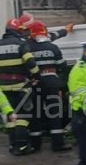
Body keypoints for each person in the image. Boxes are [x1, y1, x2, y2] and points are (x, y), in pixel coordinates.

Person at [0, 17, 40, 155]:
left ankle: (13, 145)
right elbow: (30, 63)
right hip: (20, 86)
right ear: (17, 30)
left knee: (10, 117)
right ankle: (22, 147)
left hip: (3, 87)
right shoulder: (21, 44)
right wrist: (36, 76)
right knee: (23, 117)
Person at [27, 20, 71, 152]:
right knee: (55, 113)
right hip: (52, 84)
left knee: (36, 114)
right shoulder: (53, 47)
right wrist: (61, 87)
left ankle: (35, 145)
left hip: (36, 85)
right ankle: (57, 144)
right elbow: (62, 67)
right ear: (44, 32)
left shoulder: (27, 48)